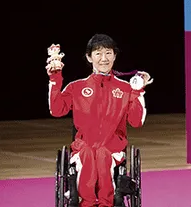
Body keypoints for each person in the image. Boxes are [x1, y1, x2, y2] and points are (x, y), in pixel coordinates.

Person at [47, 34, 150, 207]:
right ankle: (86, 203)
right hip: (83, 146)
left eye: (108, 53)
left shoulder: (125, 88)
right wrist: (55, 78)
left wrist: (138, 92)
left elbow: (136, 121)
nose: (104, 58)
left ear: (114, 56)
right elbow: (56, 110)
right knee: (87, 153)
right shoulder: (76, 87)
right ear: (89, 57)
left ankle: (106, 203)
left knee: (102, 154)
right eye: (98, 53)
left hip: (113, 148)